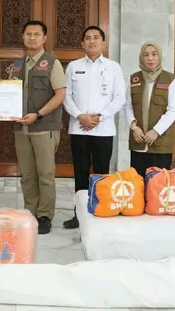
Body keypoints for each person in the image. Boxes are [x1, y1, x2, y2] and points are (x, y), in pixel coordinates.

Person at [62, 26, 126, 229]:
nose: (92, 41)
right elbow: (66, 96)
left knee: (101, 173)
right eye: (88, 38)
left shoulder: (114, 67)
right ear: (82, 43)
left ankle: (101, 210)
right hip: (78, 128)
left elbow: (120, 98)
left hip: (103, 129)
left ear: (103, 43)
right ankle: (79, 215)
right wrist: (80, 116)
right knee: (80, 174)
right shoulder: (73, 66)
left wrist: (100, 117)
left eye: (96, 38)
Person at [9, 20, 66, 235]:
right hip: (21, 129)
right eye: (28, 34)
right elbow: (7, 95)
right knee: (27, 174)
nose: (32, 38)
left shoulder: (52, 63)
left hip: (44, 128)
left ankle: (44, 216)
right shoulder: (16, 66)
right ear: (23, 37)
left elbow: (60, 95)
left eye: (36, 34)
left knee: (45, 174)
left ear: (44, 38)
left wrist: (39, 114)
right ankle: (29, 213)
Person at [124, 42, 175, 177]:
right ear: (141, 58)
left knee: (158, 183)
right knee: (138, 183)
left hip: (160, 143)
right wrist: (134, 127)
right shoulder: (134, 79)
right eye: (146, 55)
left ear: (159, 56)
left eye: (154, 54)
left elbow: (173, 110)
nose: (150, 58)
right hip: (139, 141)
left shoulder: (170, 79)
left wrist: (156, 131)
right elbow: (127, 105)